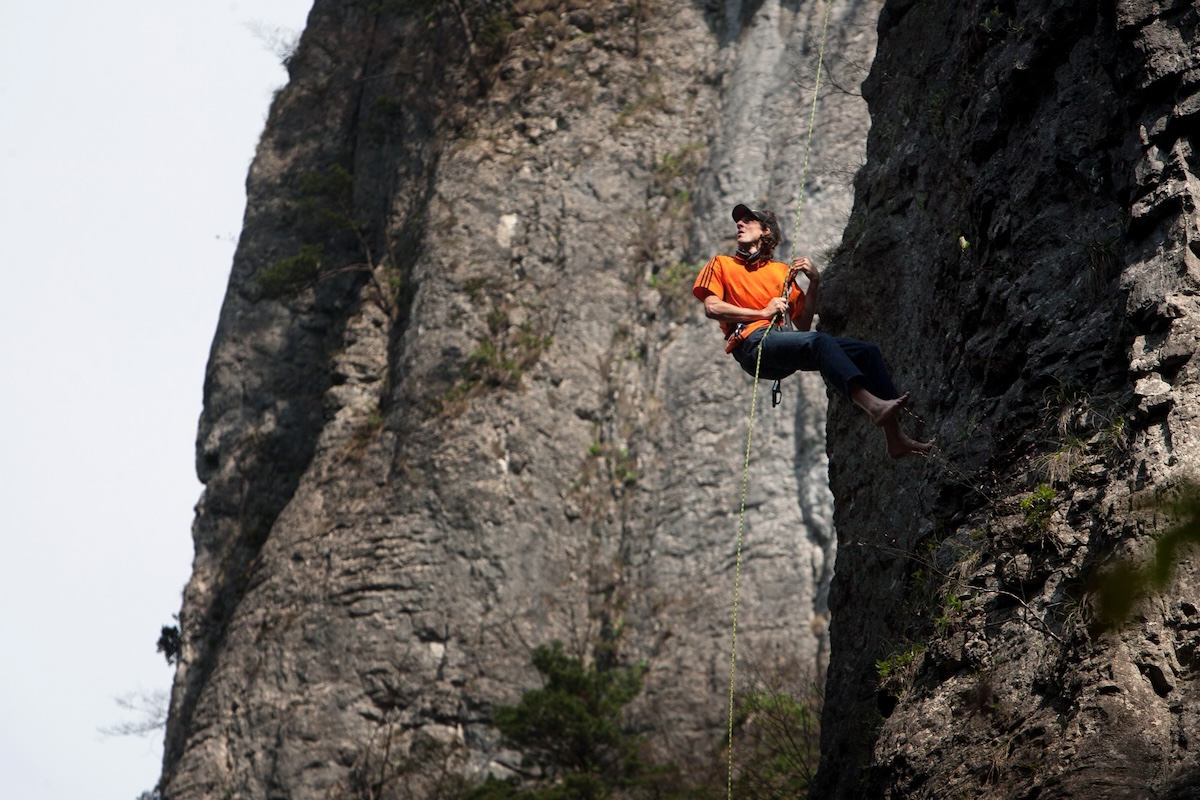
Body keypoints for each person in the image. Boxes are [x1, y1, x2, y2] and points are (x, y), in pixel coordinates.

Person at [692, 203, 932, 458]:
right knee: (820, 342)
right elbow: (712, 307)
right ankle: (873, 407)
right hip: (753, 345)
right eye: (738, 221)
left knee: (866, 352)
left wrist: (815, 281)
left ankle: (896, 439)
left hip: (780, 341)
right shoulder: (721, 264)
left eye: (748, 220)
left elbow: (803, 323)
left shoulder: (780, 272)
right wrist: (761, 313)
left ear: (765, 231)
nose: (739, 224)